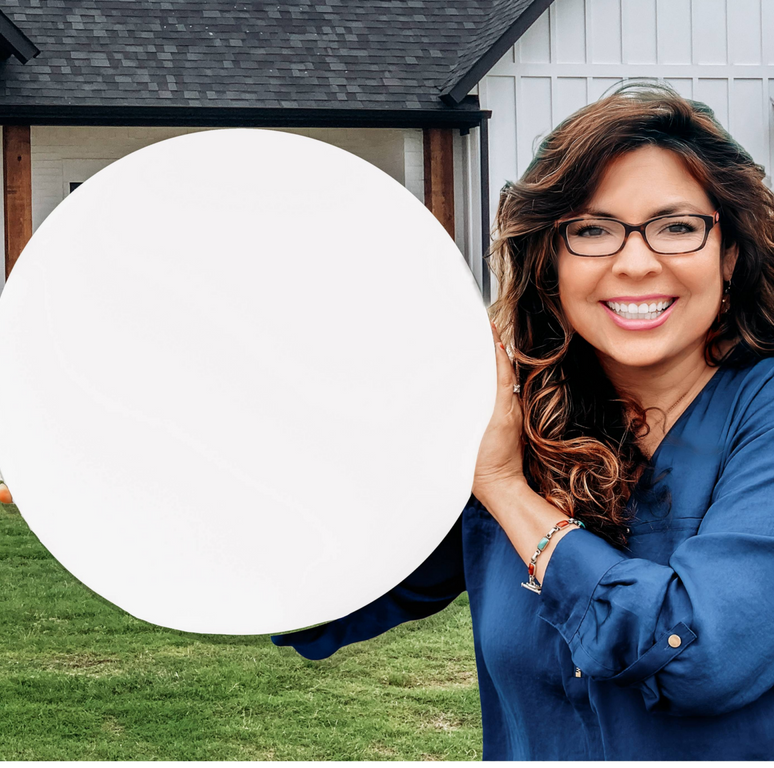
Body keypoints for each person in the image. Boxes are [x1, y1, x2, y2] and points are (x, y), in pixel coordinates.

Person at [273, 83, 774, 761]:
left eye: (677, 226)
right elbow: (329, 590)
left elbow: (700, 655)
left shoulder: (758, 413)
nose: (634, 262)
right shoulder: (514, 415)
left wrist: (507, 490)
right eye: (591, 230)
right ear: (550, 262)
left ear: (731, 252)